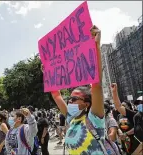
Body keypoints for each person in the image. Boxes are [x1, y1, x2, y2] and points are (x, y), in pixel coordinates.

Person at [49, 26, 118, 154]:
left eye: (74, 99)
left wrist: (95, 46)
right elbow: (56, 96)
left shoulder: (95, 118)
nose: (69, 102)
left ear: (86, 104)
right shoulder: (72, 119)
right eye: (69, 99)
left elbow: (96, 85)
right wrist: (48, 73)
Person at [111, 83, 143, 155]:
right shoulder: (137, 116)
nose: (140, 105)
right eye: (139, 103)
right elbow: (118, 106)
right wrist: (114, 92)